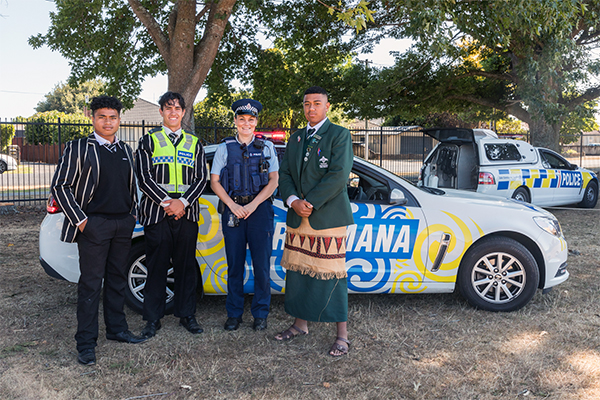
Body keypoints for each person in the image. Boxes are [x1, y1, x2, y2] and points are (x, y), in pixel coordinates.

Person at [51, 95, 146, 366]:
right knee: (91, 285)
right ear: (92, 118)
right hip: (93, 225)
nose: (108, 121)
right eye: (102, 116)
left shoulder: (126, 150)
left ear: (119, 119)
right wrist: (82, 221)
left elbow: (132, 185)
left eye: (112, 117)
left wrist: (132, 214)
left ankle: (117, 330)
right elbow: (60, 186)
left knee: (117, 280)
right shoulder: (79, 147)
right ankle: (86, 343)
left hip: (123, 224)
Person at [274, 86, 354, 356]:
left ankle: (342, 336)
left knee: (332, 274)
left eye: (317, 103)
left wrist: (311, 202)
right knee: (298, 271)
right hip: (298, 217)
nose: (311, 108)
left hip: (328, 217)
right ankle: (300, 325)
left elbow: (339, 175)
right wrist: (293, 200)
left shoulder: (339, 135)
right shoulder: (295, 138)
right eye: (307, 104)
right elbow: (284, 174)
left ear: (327, 107)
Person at [135, 91, 207, 338]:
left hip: (187, 213)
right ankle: (152, 319)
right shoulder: (148, 141)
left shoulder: (195, 143)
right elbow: (144, 178)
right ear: (161, 112)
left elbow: (201, 178)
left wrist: (183, 202)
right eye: (168, 108)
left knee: (186, 266)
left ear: (184, 112)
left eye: (177, 108)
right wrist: (169, 203)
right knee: (156, 266)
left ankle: (187, 315)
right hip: (157, 213)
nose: (173, 112)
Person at [210, 99, 279, 331]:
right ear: (235, 122)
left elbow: (273, 181)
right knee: (235, 265)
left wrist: (253, 205)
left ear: (256, 122)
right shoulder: (224, 147)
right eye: (242, 119)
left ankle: (260, 314)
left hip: (259, 212)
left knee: (261, 265)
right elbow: (215, 182)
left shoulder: (267, 147)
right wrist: (232, 205)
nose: (246, 124)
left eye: (251, 120)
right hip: (233, 210)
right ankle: (234, 314)